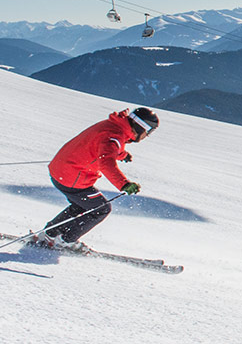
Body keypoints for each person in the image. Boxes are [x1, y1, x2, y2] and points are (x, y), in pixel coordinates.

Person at [37, 107, 159, 251]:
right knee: (101, 209)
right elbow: (106, 162)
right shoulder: (114, 136)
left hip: (61, 170)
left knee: (83, 206)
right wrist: (124, 184)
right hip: (72, 177)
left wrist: (121, 154)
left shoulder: (115, 126)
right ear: (141, 127)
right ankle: (66, 241)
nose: (147, 136)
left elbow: (105, 146)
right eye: (149, 131)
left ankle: (50, 234)